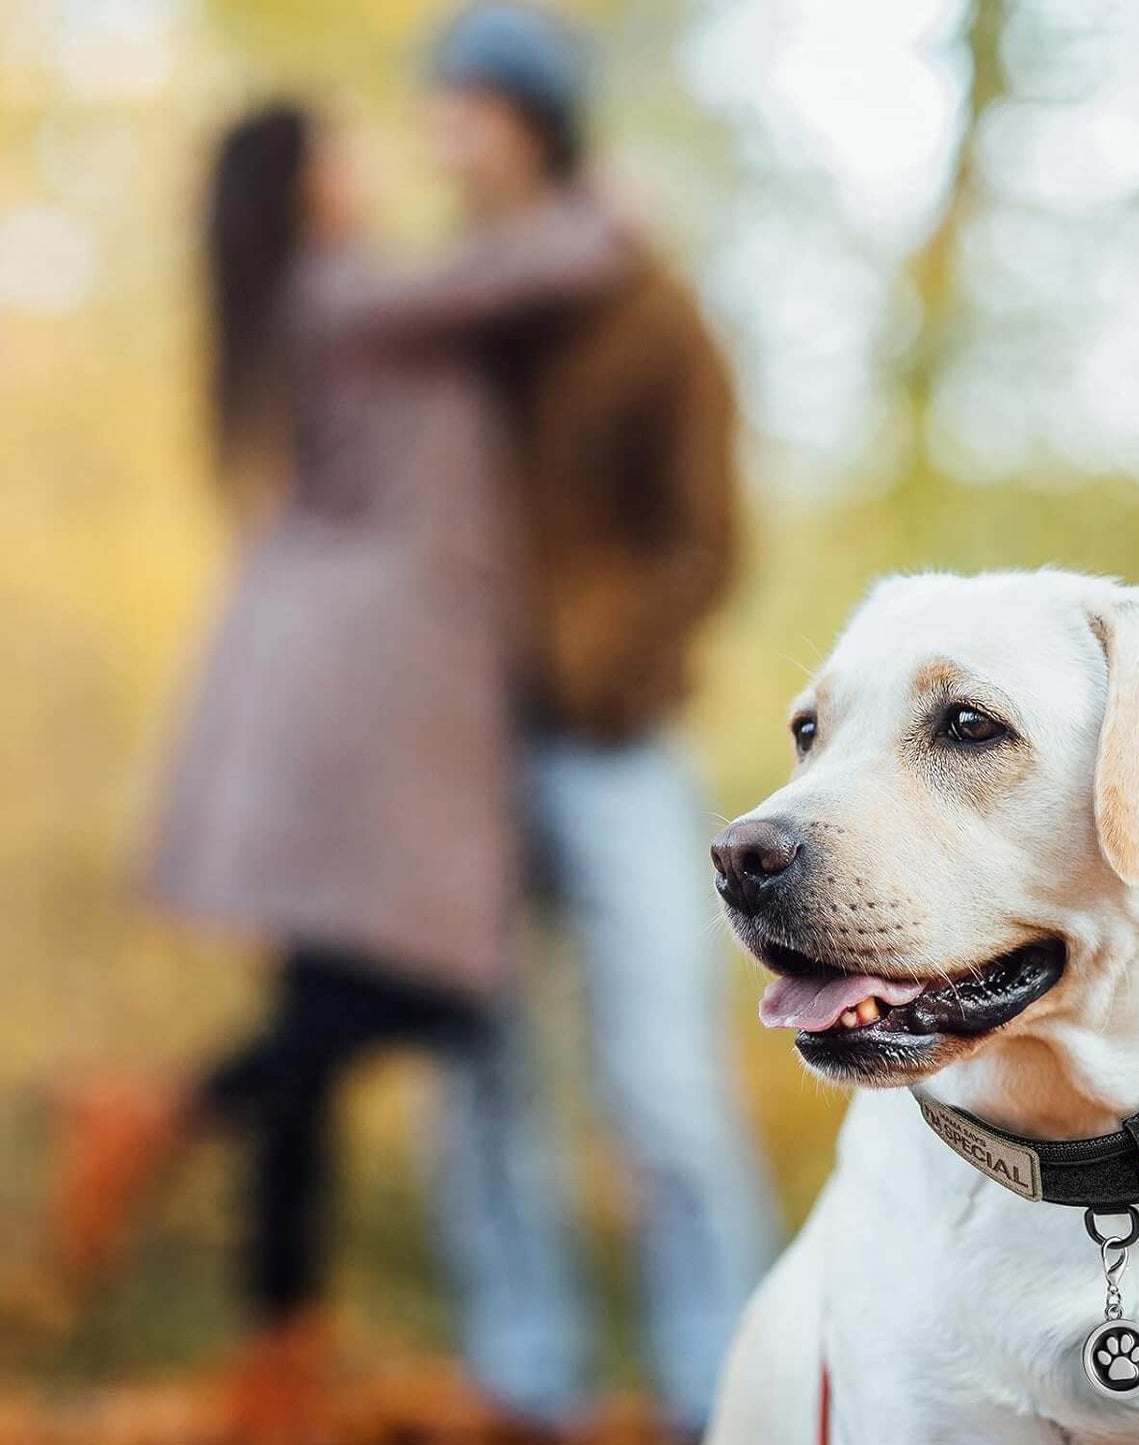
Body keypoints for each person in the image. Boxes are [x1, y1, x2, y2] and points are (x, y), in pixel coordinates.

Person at [52, 101, 627, 1438]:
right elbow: (534, 267)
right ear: (303, 186)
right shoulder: (348, 289)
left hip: (324, 677)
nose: (361, 170)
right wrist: (607, 205)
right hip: (369, 683)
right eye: (341, 153)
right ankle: (170, 1109)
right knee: (443, 990)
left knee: (317, 1015)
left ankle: (276, 1358)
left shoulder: (300, 304)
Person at [422, 8, 777, 1442]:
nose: (444, 134)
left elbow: (710, 535)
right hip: (455, 748)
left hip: (616, 743)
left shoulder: (649, 304)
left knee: (663, 1080)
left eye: (469, 106)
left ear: (534, 121)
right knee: (480, 1081)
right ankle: (527, 1380)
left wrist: (601, 665)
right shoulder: (449, 310)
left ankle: (721, 1382)